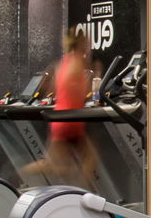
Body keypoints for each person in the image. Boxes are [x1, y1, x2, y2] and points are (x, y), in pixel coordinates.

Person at [21, 27, 100, 188]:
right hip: (70, 121)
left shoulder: (62, 62)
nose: (88, 47)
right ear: (81, 44)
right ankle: (19, 175)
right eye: (86, 43)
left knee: (81, 160)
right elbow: (83, 93)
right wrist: (97, 74)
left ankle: (80, 191)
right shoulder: (77, 62)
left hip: (61, 118)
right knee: (68, 164)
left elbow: (53, 87)